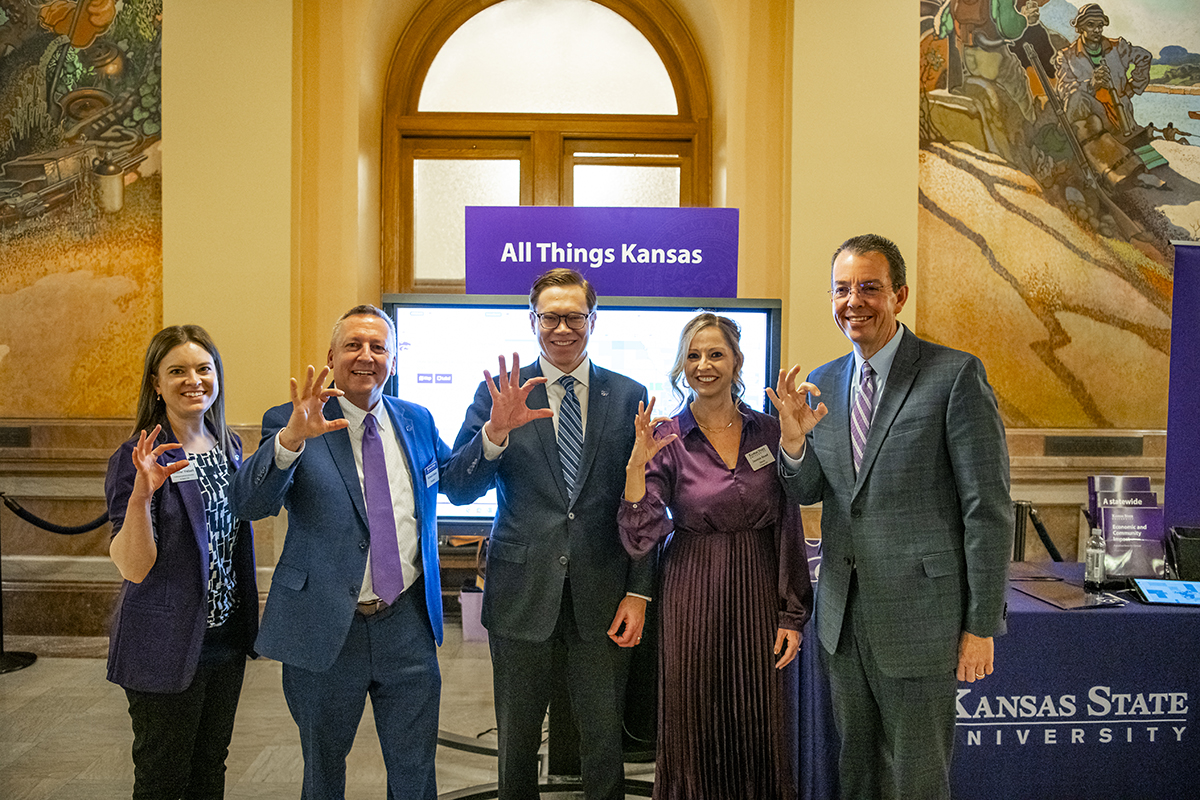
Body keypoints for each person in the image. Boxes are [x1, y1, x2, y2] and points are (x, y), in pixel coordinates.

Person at [769, 234, 1012, 800]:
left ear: (899, 295)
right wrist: (794, 443)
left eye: (870, 288)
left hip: (921, 620)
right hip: (842, 618)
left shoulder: (954, 376)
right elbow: (808, 491)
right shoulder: (823, 383)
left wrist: (980, 626)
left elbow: (988, 509)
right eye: (842, 289)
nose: (854, 301)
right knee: (856, 770)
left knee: (917, 777)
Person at [441, 268, 653, 800]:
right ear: (531, 320)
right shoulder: (498, 393)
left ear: (593, 319)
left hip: (602, 593)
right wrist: (495, 433)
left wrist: (638, 590)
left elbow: (644, 502)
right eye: (550, 316)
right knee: (516, 742)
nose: (562, 328)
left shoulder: (629, 394)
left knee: (603, 740)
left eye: (574, 316)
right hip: (520, 594)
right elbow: (459, 489)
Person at [230, 304, 450, 800]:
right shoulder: (292, 420)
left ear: (393, 359)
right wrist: (289, 441)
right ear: (331, 356)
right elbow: (249, 503)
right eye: (353, 345)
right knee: (322, 773)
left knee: (416, 772)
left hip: (407, 624)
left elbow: (454, 481)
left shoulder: (416, 420)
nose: (365, 356)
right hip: (325, 627)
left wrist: (495, 436)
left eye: (378, 347)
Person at [618, 312, 813, 799]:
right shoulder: (667, 438)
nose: (704, 365)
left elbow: (787, 522)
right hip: (691, 589)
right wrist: (635, 467)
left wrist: (791, 614)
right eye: (693, 355)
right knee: (694, 718)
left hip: (758, 587)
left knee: (757, 718)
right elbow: (641, 535)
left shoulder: (769, 431)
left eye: (716, 353)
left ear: (737, 360)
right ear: (681, 366)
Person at [105, 325, 258, 799]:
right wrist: (140, 497)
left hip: (224, 641)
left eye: (203, 369)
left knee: (210, 767)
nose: (194, 380)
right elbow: (132, 567)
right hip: (164, 641)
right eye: (177, 371)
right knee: (163, 776)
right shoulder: (138, 458)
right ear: (156, 383)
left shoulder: (228, 447)